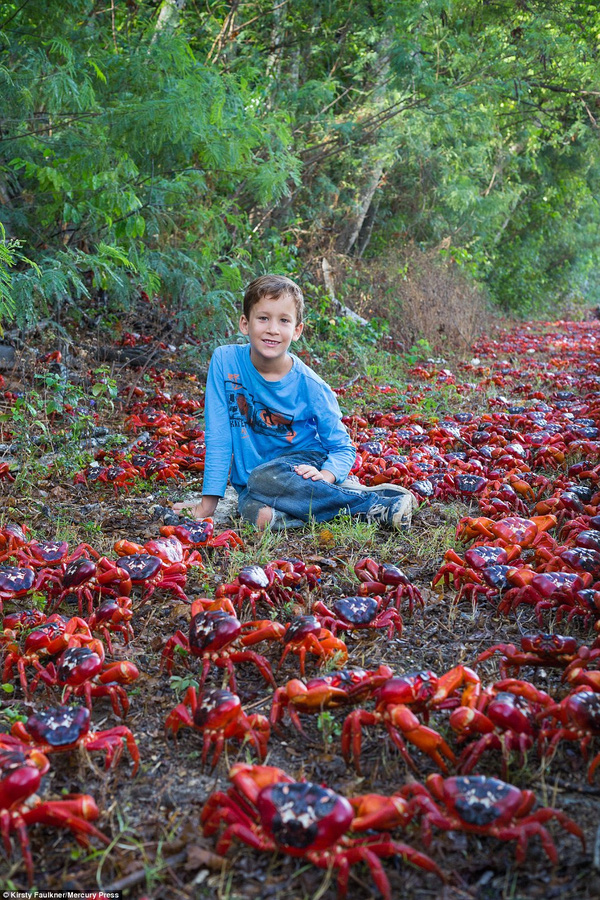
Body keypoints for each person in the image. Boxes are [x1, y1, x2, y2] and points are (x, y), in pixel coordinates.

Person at [173, 274, 417, 530]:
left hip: (302, 462)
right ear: (245, 324)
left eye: (284, 320)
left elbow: (343, 448)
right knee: (262, 518)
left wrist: (325, 475)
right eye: (263, 318)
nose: (272, 329)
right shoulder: (225, 361)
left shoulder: (310, 385)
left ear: (297, 330)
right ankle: (338, 495)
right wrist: (207, 505)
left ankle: (372, 505)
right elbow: (219, 434)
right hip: (255, 485)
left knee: (262, 477)